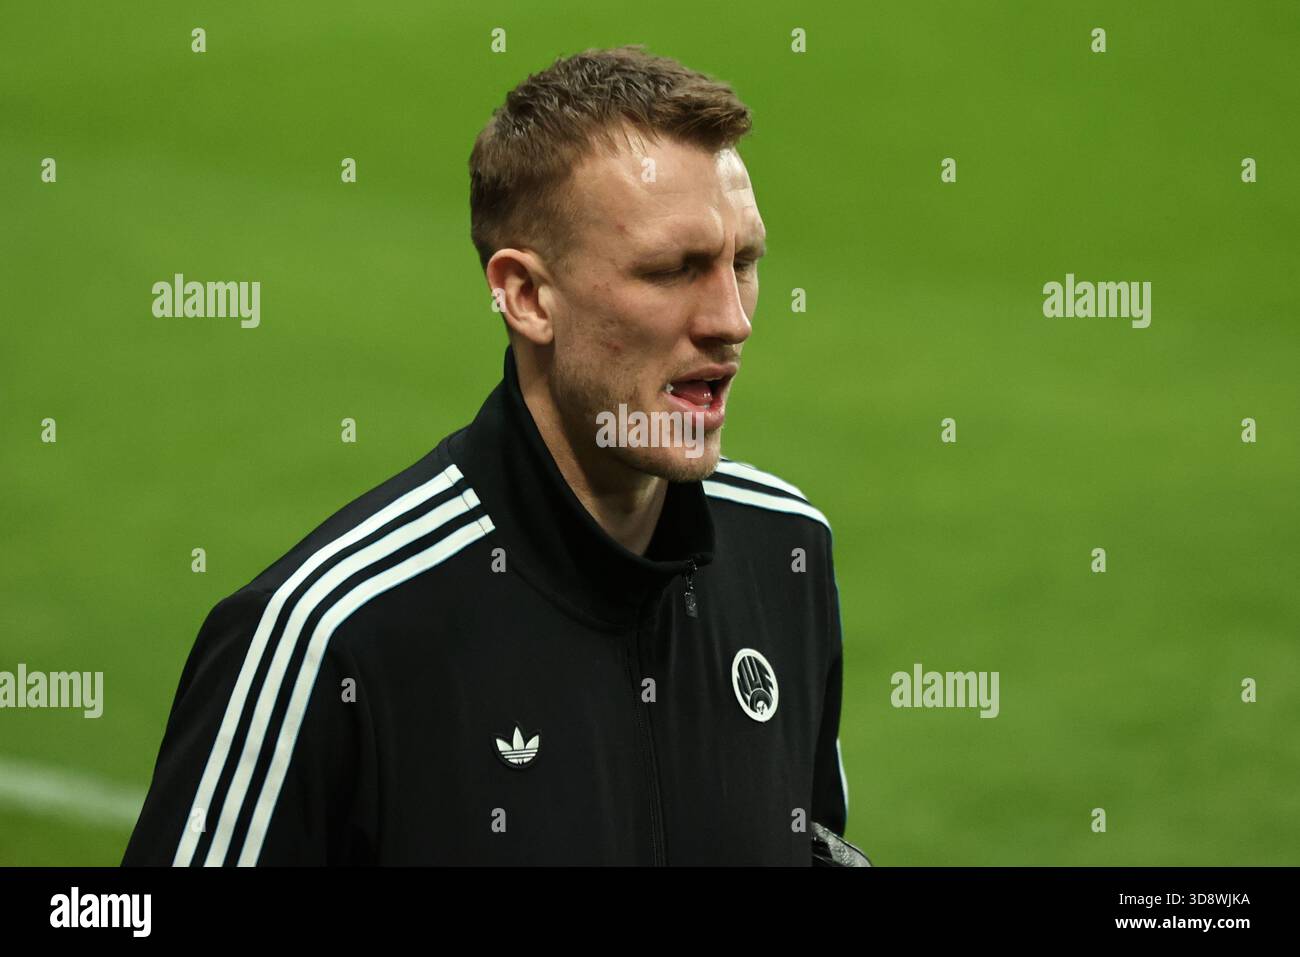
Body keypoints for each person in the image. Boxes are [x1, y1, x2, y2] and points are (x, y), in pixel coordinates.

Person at [123, 44, 858, 866]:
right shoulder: (332, 635)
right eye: (673, 269)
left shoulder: (785, 550)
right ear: (527, 296)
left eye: (743, 262)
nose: (731, 319)